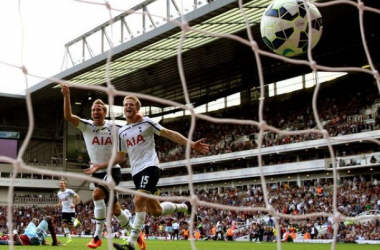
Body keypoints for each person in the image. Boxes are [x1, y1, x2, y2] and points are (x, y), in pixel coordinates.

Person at [92, 95, 210, 250]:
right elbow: (120, 157)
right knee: (156, 211)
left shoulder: (147, 122)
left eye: (131, 104)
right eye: (126, 104)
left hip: (150, 167)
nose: (128, 106)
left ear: (137, 108)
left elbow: (168, 133)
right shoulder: (121, 132)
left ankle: (131, 242)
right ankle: (184, 207)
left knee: (138, 199)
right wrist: (100, 166)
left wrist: (192, 144)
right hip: (136, 173)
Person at [61, 84, 143, 249]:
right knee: (116, 210)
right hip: (96, 173)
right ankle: (136, 234)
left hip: (113, 171)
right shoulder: (86, 126)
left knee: (97, 194)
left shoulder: (114, 128)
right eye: (93, 110)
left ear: (105, 113)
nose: (95, 112)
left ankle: (97, 236)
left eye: (99, 109)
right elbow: (69, 116)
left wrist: (139, 118)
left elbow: (131, 127)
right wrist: (67, 96)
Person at [55, 178, 81, 243]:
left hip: (71, 210)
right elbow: (61, 201)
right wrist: (58, 204)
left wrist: (74, 204)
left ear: (65, 184)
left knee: (72, 226)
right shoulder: (59, 193)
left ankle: (77, 223)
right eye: (60, 183)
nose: (61, 184)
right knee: (64, 225)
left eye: (62, 183)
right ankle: (69, 238)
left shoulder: (69, 191)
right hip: (64, 211)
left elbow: (77, 196)